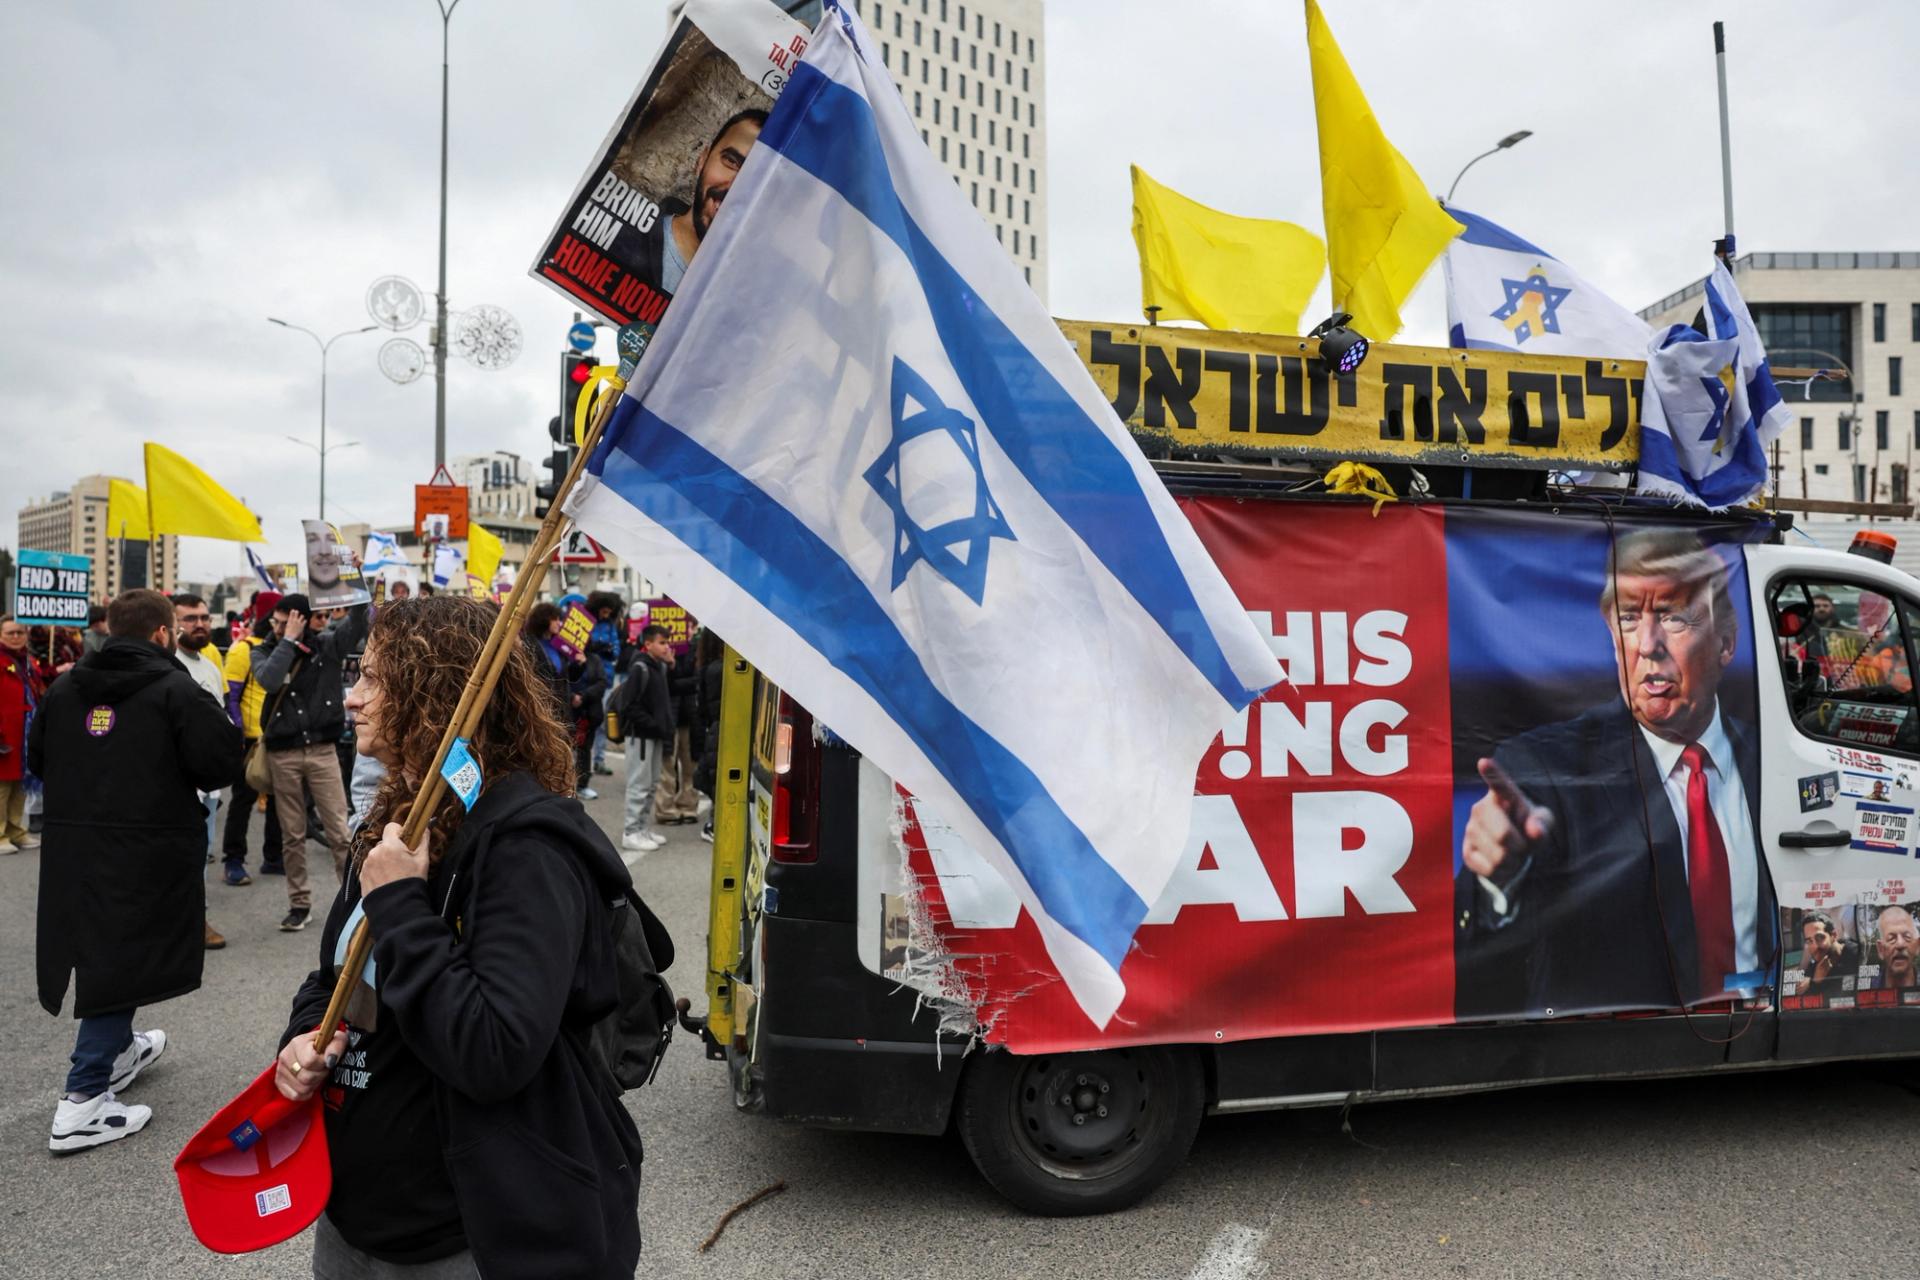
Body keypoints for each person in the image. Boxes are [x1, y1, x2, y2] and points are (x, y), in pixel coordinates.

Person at [273, 596, 643, 1274]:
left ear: (437, 690)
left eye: (376, 679)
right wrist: (301, 1041)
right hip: (358, 1219)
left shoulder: (525, 847)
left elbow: (495, 1049)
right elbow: (338, 976)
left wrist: (403, 906)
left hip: (470, 1234)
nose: (352, 698)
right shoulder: (401, 819)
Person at [1455, 529, 1773, 1017]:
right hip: (1624, 1069)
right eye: (1629, 618)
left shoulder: (1771, 757)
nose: (1648, 645)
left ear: (1726, 642)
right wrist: (1500, 882)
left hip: (1767, 1057)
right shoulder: (1540, 771)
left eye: (1673, 616)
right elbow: (1487, 964)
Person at [34, 589, 243, 1153]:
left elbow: (38, 757)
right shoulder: (176, 688)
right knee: (120, 954)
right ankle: (82, 1101)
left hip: (74, 846)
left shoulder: (63, 686)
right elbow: (221, 759)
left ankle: (120, 1049)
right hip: (145, 847)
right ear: (160, 633)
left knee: (106, 947)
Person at [254, 592, 369, 932]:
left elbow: (358, 621)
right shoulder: (264, 650)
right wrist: (286, 640)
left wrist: (354, 582)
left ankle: (352, 902)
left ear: (301, 619)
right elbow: (269, 679)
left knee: (338, 831)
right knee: (292, 834)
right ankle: (299, 904)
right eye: (276, 620)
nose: (276, 625)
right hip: (282, 752)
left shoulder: (326, 645)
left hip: (322, 749)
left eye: (284, 620)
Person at [637, 109, 766, 295]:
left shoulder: (746, 300)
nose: (736, 187)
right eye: (731, 161)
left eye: (758, 178)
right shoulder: (626, 237)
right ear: (702, 161)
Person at [172, 593, 232, 950]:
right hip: (177, 784)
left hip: (207, 788)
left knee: (201, 855)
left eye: (205, 618)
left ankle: (196, 919)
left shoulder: (210, 664)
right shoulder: (167, 665)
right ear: (171, 624)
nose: (200, 624)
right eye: (191, 618)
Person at [222, 605, 285, 884]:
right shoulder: (242, 649)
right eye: (278, 619)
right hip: (249, 739)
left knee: (277, 801)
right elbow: (230, 696)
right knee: (243, 799)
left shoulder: (284, 647)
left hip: (278, 736)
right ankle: (233, 859)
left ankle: (273, 857)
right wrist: (237, 732)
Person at [610, 624, 676, 856]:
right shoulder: (640, 668)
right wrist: (653, 724)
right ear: (648, 644)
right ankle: (631, 832)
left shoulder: (659, 667)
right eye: (662, 642)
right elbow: (629, 706)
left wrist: (670, 664)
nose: (667, 646)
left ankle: (642, 829)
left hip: (654, 735)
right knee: (639, 785)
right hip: (640, 736)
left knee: (651, 785)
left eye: (667, 642)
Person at [1, 616, 46, 853]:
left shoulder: (28, 662)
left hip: (25, 730)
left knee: (20, 784)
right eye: (10, 633)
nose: (16, 637)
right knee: (2, 786)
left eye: (20, 632)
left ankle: (16, 830)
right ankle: (0, 835)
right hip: (4, 731)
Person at [655, 628, 702, 825]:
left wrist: (677, 678)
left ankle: (688, 806)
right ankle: (666, 809)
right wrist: (670, 666)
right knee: (668, 765)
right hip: (669, 716)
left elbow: (697, 681)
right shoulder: (659, 653)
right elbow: (662, 684)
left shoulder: (696, 649)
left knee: (690, 764)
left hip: (690, 716)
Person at [1795, 911, 1860, 998]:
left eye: (1819, 938)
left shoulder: (1856, 955)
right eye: (1809, 941)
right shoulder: (1815, 967)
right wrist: (1815, 982)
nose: (1815, 946)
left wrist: (1815, 982)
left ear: (1834, 935)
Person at [1869, 905, 1919, 991]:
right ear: (1880, 949)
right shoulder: (1867, 989)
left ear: (1918, 946)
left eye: (1907, 937)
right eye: (1891, 938)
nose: (1900, 944)